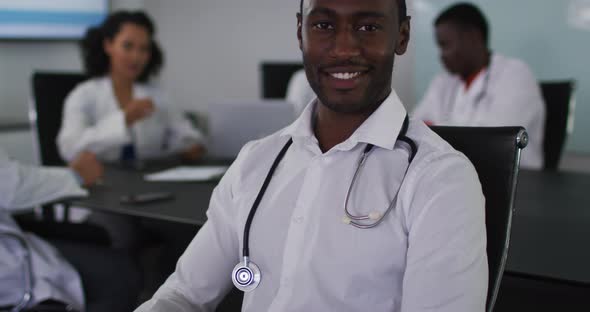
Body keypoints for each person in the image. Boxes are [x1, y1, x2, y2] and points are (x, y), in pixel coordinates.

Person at [136, 0, 487, 311]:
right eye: (323, 25)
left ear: (402, 36)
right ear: (300, 32)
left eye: (368, 27)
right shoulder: (257, 161)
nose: (344, 48)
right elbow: (183, 295)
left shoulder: (439, 179)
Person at [57, 11, 205, 165]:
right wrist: (124, 119)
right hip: (101, 182)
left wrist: (191, 146)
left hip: (150, 181)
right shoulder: (83, 95)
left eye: (144, 49)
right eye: (128, 46)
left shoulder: (157, 95)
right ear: (108, 45)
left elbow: (187, 136)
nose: (136, 57)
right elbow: (70, 149)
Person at [0, 149, 140, 312]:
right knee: (120, 273)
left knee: (98, 236)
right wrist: (75, 176)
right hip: (10, 271)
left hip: (13, 245)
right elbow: (11, 187)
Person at [412, 3, 545, 169]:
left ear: (473, 38)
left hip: (516, 182)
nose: (441, 55)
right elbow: (415, 128)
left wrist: (436, 130)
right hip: (456, 176)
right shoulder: (443, 81)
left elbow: (494, 142)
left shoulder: (515, 74)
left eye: (445, 45)